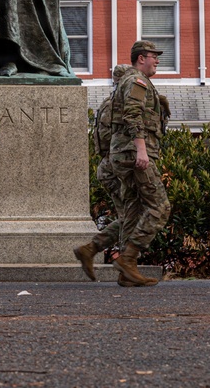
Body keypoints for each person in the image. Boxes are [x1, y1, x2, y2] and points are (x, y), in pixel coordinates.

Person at [73, 63, 156, 286]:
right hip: (115, 167)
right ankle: (109, 258)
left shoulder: (111, 102)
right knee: (132, 215)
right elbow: (113, 140)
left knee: (129, 216)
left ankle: (100, 256)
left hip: (112, 166)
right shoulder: (116, 105)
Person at [109, 41, 172, 286]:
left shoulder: (133, 81)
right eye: (154, 57)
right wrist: (141, 149)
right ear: (141, 58)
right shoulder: (137, 82)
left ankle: (127, 273)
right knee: (160, 206)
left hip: (123, 155)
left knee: (133, 210)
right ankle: (128, 258)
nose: (157, 61)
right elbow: (133, 114)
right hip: (133, 155)